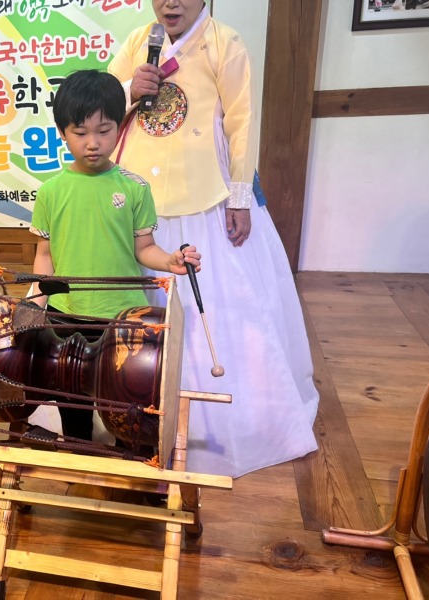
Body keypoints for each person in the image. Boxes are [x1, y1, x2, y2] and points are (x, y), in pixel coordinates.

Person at [108, 0, 319, 477]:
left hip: (206, 197)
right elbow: (100, 104)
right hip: (139, 201)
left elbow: (242, 123)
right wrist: (128, 90)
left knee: (225, 305)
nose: (171, 3)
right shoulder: (138, 42)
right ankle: (132, 406)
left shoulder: (227, 43)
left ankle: (222, 421)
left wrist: (239, 198)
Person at [28, 69, 200, 442]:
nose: (93, 143)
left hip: (123, 315)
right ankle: (78, 448)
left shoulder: (135, 188)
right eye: (80, 133)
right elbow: (45, 256)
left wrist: (170, 261)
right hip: (66, 310)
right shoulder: (50, 192)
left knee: (124, 396)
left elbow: (145, 249)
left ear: (119, 128)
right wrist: (36, 304)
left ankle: (128, 453)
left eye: (104, 131)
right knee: (69, 394)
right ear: (62, 133)